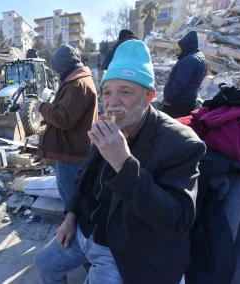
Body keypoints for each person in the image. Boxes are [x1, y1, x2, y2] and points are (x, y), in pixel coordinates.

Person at [35, 39, 206, 284]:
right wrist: (71, 216)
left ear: (149, 96)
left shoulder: (180, 143)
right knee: (44, 263)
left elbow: (176, 220)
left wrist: (123, 163)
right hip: (85, 230)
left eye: (125, 91)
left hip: (123, 248)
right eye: (107, 92)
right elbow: (85, 175)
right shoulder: (110, 124)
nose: (112, 102)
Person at [36, 44, 97, 209]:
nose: (56, 72)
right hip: (74, 148)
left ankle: (73, 228)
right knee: (75, 193)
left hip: (70, 153)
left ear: (63, 66)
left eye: (56, 68)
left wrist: (42, 106)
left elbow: (63, 119)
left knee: (69, 196)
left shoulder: (77, 84)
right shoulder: (79, 80)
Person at [162, 31, 207, 118]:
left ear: (186, 48)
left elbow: (179, 83)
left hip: (178, 103)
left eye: (178, 50)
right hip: (187, 100)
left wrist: (168, 99)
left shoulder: (189, 61)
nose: (177, 53)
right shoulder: (199, 56)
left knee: (167, 127)